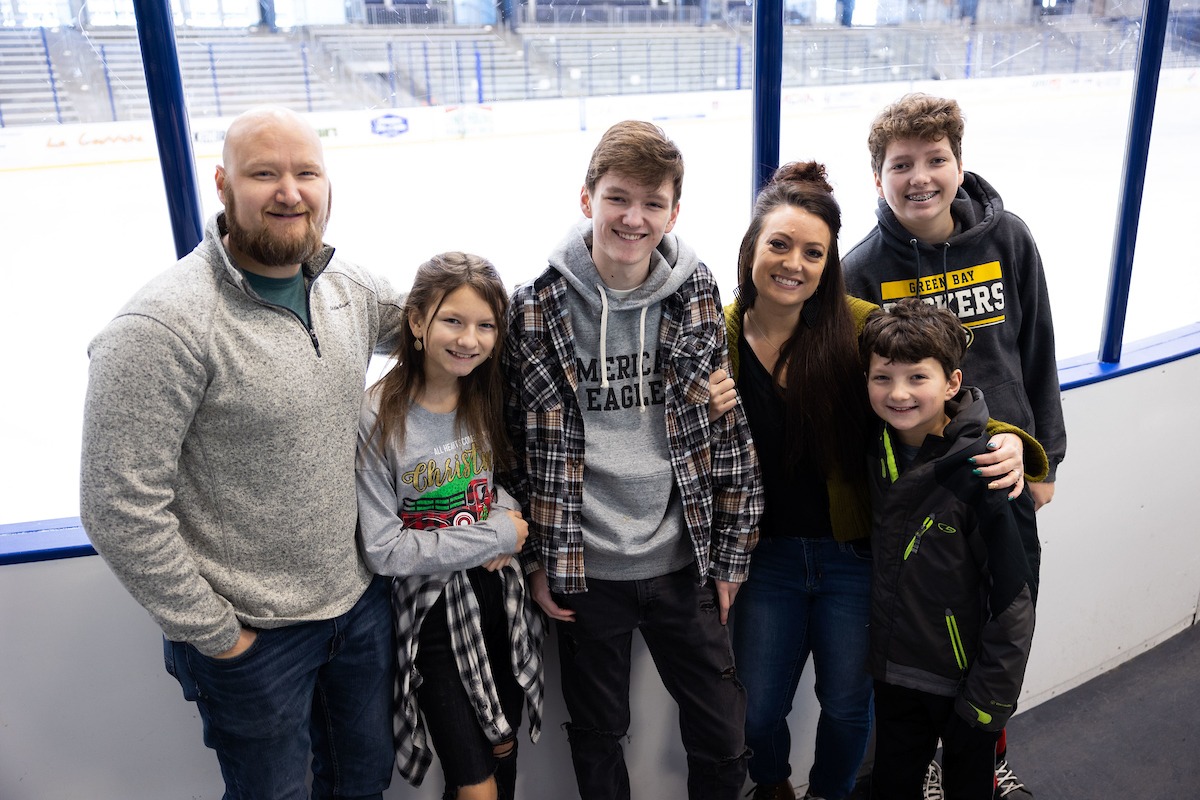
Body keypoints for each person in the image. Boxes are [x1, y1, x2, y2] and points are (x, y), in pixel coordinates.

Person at [79, 106, 405, 799]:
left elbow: (448, 327)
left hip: (357, 607)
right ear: (224, 186)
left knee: (363, 785)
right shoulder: (163, 324)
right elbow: (117, 507)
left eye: (305, 173)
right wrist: (219, 636)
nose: (289, 191)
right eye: (265, 173)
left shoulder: (347, 289)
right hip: (254, 637)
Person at [706, 162, 1038, 800]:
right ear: (751, 248)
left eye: (813, 252)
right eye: (778, 245)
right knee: (757, 709)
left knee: (848, 706)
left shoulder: (858, 326)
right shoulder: (715, 337)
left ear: (829, 263)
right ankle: (772, 787)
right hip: (764, 556)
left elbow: (932, 394)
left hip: (854, 555)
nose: (793, 264)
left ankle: (830, 794)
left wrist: (1014, 444)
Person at [501, 119, 764, 800]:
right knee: (597, 732)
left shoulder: (697, 292)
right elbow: (516, 449)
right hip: (586, 571)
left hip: (685, 564)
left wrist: (731, 559)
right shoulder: (535, 306)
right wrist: (537, 561)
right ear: (587, 199)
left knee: (722, 730)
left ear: (674, 212)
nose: (634, 217)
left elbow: (726, 434)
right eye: (619, 198)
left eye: (653, 203)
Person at [842, 92, 1064, 799]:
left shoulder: (1010, 240)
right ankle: (927, 762)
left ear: (959, 165)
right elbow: (863, 388)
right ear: (878, 176)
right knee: (924, 628)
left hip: (998, 470)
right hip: (916, 483)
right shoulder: (862, 268)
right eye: (901, 164)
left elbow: (1038, 352)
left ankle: (983, 752)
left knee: (997, 614)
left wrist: (1041, 455)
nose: (920, 177)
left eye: (936, 160)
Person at [355, 252, 545, 800]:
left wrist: (505, 517)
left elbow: (491, 486)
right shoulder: (377, 414)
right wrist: (501, 534)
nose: (470, 340)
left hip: (498, 597)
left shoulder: (483, 394)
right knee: (476, 784)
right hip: (433, 616)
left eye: (486, 326)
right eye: (453, 321)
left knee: (503, 758)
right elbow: (386, 549)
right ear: (417, 322)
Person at [859, 299, 1036, 800]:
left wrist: (987, 703)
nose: (898, 393)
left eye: (918, 377)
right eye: (882, 377)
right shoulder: (875, 447)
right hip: (894, 671)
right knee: (892, 786)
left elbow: (1015, 602)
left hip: (964, 684)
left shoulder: (989, 472)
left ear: (953, 383)